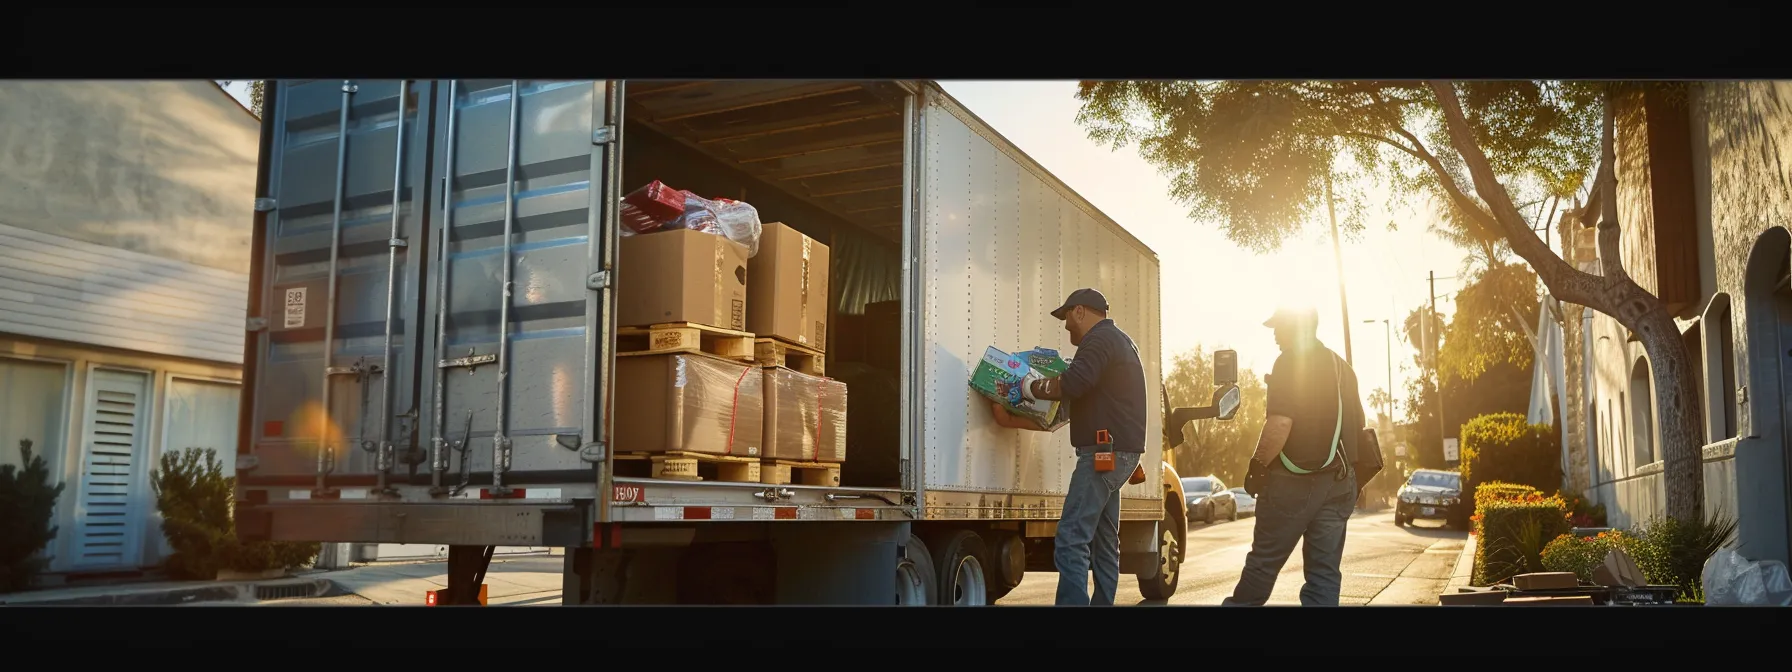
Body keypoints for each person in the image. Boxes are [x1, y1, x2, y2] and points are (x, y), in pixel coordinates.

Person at [988, 288, 1147, 606]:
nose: (1065, 327)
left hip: (1104, 454)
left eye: (1067, 318)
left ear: (1080, 311)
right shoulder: (1117, 342)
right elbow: (1064, 413)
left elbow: (1072, 384)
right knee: (1103, 542)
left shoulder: (1099, 340)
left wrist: (1027, 386)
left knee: (1072, 537)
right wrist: (1008, 419)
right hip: (1115, 454)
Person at [1222, 305, 1366, 606]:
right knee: (1324, 574)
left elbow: (1281, 423)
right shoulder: (1343, 368)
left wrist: (1257, 466)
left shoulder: (1288, 363)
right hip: (1340, 483)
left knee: (1263, 562)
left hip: (1292, 484)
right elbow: (1359, 427)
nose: (1274, 334)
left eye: (1279, 327)